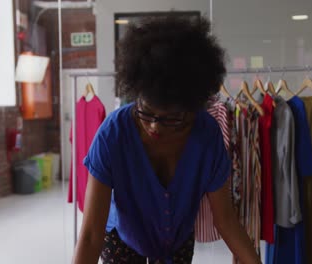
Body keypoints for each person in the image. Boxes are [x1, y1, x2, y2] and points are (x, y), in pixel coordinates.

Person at [73, 15, 261, 264]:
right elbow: (90, 236)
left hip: (177, 239)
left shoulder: (207, 135)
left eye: (170, 119)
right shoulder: (113, 135)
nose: (153, 126)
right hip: (122, 238)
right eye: (146, 112)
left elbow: (225, 220)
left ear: (194, 109)